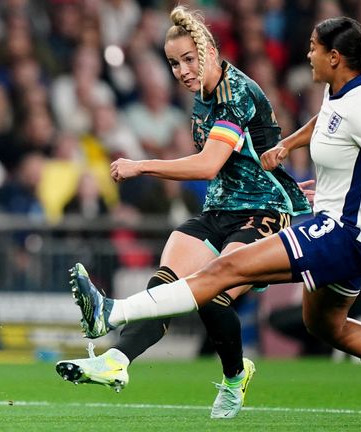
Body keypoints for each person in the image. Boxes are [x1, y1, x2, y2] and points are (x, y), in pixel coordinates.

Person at [69, 17, 361, 425]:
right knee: (325, 325)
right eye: (174, 62)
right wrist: (288, 146)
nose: (306, 54)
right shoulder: (341, 92)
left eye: (312, 47)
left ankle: (111, 312)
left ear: (334, 56)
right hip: (332, 225)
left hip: (344, 232)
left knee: (223, 271)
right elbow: (327, 122)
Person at [55, 5, 311, 420]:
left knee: (211, 297)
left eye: (189, 59)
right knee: (167, 288)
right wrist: (289, 181)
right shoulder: (201, 100)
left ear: (209, 50)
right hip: (220, 208)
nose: (182, 70)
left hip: (261, 213)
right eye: (173, 63)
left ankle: (233, 377)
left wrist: (142, 165)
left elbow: (209, 164)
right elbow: (247, 156)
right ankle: (115, 361)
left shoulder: (234, 94)